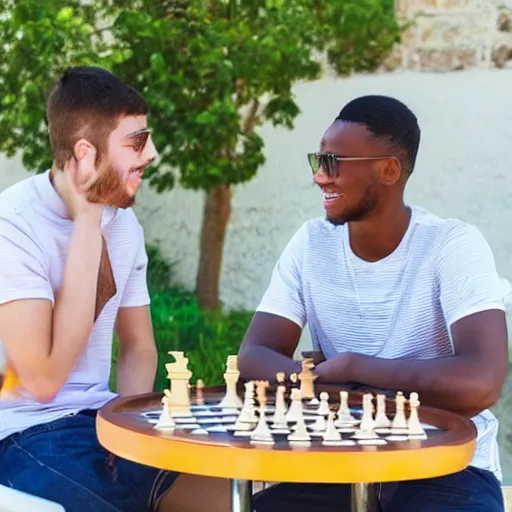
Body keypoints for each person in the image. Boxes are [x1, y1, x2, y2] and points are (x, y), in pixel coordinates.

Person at [238, 95, 508, 512]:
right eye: (318, 161)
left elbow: (481, 382)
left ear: (389, 170)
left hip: (445, 468)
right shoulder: (311, 243)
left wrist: (351, 369)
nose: (319, 178)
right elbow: (253, 357)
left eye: (334, 163)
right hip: (339, 461)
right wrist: (334, 383)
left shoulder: (452, 245)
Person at [0, 67, 178, 511]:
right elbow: (43, 381)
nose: (151, 153)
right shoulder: (12, 226)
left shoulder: (125, 223)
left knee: (230, 490)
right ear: (85, 152)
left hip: (102, 421)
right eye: (137, 141)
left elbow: (139, 348)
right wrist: (87, 220)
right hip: (23, 432)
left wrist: (130, 434)